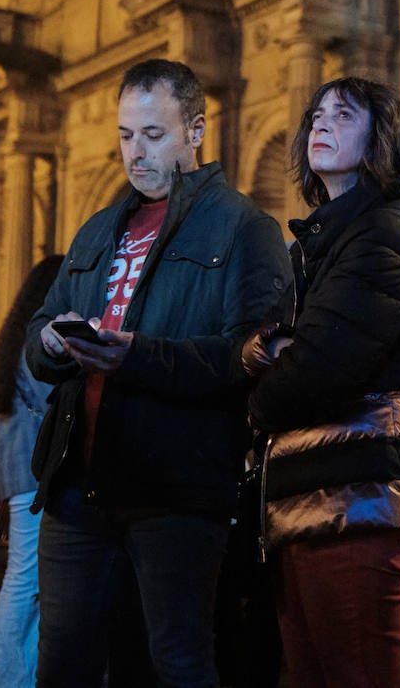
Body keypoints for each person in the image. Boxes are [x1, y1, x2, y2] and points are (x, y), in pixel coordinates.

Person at [25, 58, 292, 688]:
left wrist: (137, 356)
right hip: (76, 487)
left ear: (195, 130)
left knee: (177, 661)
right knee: (62, 662)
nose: (134, 152)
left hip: (174, 489)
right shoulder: (97, 230)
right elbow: (39, 337)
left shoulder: (244, 227)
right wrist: (50, 343)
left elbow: (252, 358)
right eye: (125, 135)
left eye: (153, 134)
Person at [243, 76, 400, 688]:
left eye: (343, 113)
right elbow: (261, 343)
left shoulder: (387, 232)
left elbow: (313, 374)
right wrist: (268, 352)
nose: (320, 124)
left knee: (362, 672)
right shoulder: (326, 238)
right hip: (315, 495)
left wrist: (257, 395)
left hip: (361, 498)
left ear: (384, 135)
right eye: (316, 114)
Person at [0, 255, 64, 688]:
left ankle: (19, 675)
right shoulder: (37, 336)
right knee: (27, 583)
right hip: (34, 472)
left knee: (27, 582)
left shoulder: (13, 336)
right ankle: (10, 679)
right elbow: (49, 396)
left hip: (18, 473)